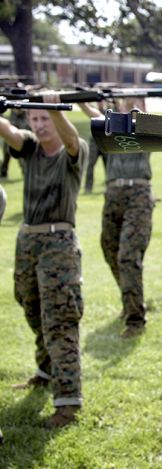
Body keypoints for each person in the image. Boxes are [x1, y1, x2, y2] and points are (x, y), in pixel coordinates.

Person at [1, 93, 87, 428]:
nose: (38, 125)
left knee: (60, 317)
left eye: (44, 118)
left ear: (56, 117)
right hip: (27, 239)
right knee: (30, 304)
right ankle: (46, 369)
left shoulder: (72, 149)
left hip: (58, 242)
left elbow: (70, 138)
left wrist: (55, 108)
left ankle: (68, 401)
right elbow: (9, 131)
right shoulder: (29, 148)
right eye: (34, 119)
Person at [79, 99, 154, 337]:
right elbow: (93, 113)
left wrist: (135, 111)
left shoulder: (147, 129)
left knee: (128, 255)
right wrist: (82, 100)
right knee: (109, 247)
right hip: (113, 194)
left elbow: (143, 119)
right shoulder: (109, 128)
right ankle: (129, 298)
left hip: (139, 193)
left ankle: (135, 320)